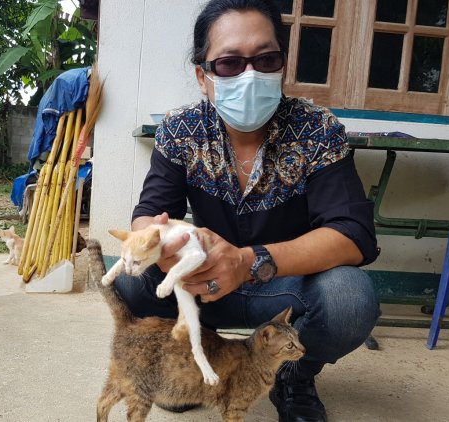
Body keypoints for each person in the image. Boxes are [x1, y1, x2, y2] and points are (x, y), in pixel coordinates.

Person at [115, 0, 381, 421]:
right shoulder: (182, 129)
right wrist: (161, 244)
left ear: (282, 66)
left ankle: (291, 376)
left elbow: (354, 233)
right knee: (131, 279)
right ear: (203, 76)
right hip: (204, 285)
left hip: (283, 289)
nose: (250, 74)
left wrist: (247, 260)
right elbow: (148, 215)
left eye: (266, 59)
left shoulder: (317, 130)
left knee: (350, 298)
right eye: (229, 64)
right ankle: (189, 364)